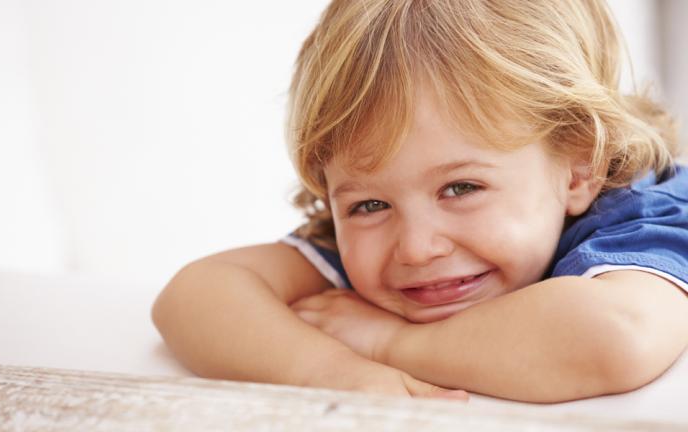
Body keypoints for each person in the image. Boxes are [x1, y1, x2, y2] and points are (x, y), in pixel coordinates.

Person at [152, 0, 688, 403]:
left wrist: (388, 345)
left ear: (579, 169)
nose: (415, 248)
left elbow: (616, 336)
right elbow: (194, 295)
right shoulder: (390, 248)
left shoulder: (640, 216)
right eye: (368, 205)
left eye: (460, 189)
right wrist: (332, 372)